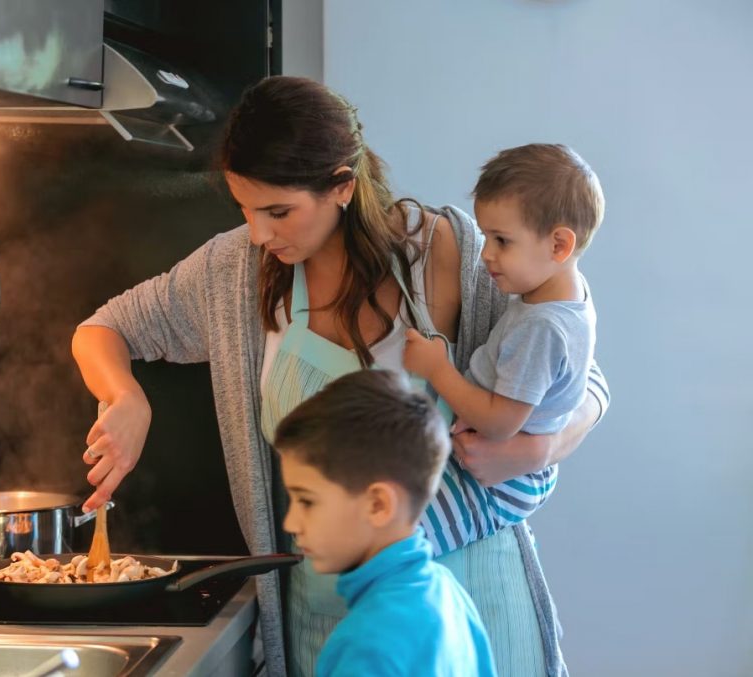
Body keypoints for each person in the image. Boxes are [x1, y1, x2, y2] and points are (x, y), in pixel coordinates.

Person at [71, 75, 610, 677]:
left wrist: (535, 449)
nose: (259, 233)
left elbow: (581, 374)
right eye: (245, 209)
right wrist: (126, 398)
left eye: (279, 211)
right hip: (327, 623)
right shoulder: (234, 271)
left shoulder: (450, 249)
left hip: (470, 606)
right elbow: (104, 327)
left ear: (343, 187)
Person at [404, 143, 603, 542]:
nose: (485, 255)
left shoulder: (543, 328)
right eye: (484, 237)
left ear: (559, 245)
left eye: (501, 241)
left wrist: (438, 369)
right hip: (512, 462)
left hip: (503, 482)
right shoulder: (562, 290)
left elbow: (498, 423)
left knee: (400, 540)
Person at [274, 368, 496, 677]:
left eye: (307, 501)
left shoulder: (366, 646)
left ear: (378, 505)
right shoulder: (448, 593)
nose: (291, 523)